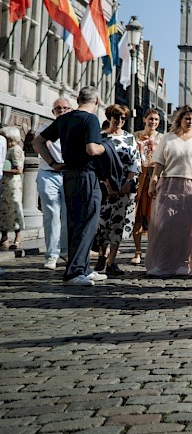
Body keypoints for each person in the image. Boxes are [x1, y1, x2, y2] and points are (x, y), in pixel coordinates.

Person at [34, 86, 108, 287]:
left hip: (68, 174)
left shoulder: (64, 119)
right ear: (97, 101)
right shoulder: (90, 119)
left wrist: (53, 163)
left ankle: (83, 268)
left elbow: (38, 141)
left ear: (77, 99)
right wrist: (106, 146)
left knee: (76, 222)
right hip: (86, 175)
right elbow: (92, 149)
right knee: (87, 223)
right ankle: (75, 272)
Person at [144, 105, 192, 278]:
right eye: (187, 118)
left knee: (190, 228)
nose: (190, 122)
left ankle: (186, 262)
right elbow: (159, 162)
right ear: (180, 119)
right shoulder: (168, 139)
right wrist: (153, 181)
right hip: (169, 184)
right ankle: (163, 262)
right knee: (166, 225)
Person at [93, 105, 140, 277]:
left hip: (125, 188)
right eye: (116, 117)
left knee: (119, 224)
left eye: (123, 118)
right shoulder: (101, 137)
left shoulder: (129, 138)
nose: (120, 121)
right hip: (106, 185)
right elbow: (96, 163)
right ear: (109, 117)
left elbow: (136, 161)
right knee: (103, 222)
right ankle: (101, 255)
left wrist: (129, 182)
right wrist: (107, 184)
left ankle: (112, 261)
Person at [37, 98, 72, 269]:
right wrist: (53, 163)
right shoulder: (45, 128)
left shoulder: (74, 129)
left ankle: (65, 250)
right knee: (51, 213)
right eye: (58, 108)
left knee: (67, 214)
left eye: (65, 108)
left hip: (68, 174)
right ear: (53, 112)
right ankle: (52, 254)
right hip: (48, 173)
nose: (62, 110)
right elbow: (41, 144)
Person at [132, 109, 161, 266]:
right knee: (137, 215)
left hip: (154, 178)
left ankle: (152, 251)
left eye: (156, 119)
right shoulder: (136, 136)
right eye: (151, 119)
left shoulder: (162, 138)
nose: (153, 122)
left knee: (153, 217)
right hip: (139, 178)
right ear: (144, 119)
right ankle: (137, 251)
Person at [0, 127, 25, 252]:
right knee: (4, 210)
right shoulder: (8, 149)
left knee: (14, 209)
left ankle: (17, 238)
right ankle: (4, 238)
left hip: (12, 184)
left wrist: (2, 170)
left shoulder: (15, 150)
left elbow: (18, 169)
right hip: (5, 183)